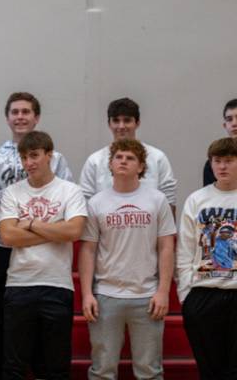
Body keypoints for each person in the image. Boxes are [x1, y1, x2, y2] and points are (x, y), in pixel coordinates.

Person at [0, 91, 73, 380]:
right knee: (8, 320)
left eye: (26, 112)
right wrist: (16, 194)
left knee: (45, 322)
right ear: (7, 117)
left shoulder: (56, 159)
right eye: (15, 112)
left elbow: (66, 203)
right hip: (4, 245)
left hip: (47, 247)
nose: (20, 116)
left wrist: (34, 218)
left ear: (36, 117)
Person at [78, 139, 176, 380]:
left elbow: (166, 246)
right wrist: (87, 294)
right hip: (107, 296)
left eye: (130, 158)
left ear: (141, 167)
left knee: (150, 372)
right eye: (119, 157)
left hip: (147, 296)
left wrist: (163, 291)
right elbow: (88, 250)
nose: (123, 161)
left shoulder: (157, 200)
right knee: (102, 371)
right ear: (110, 164)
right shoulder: (96, 202)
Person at [0, 130, 87, 380]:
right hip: (19, 285)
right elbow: (8, 236)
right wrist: (55, 230)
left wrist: (31, 224)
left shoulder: (70, 191)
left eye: (35, 156)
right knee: (14, 365)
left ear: (50, 156)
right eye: (25, 157)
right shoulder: (12, 192)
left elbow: (74, 230)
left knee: (56, 366)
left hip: (57, 285)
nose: (29, 163)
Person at [177, 137, 237, 379]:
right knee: (209, 370)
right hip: (203, 293)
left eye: (229, 161)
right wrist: (185, 294)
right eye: (217, 161)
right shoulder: (197, 199)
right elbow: (185, 249)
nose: (222, 166)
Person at [80, 98, 177, 212]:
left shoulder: (157, 158)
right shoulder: (94, 161)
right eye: (116, 120)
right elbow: (85, 203)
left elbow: (169, 201)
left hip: (148, 227)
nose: (121, 126)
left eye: (127, 120)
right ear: (109, 124)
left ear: (137, 123)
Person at [203, 98, 237, 185]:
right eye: (229, 119)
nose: (234, 123)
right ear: (225, 126)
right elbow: (210, 196)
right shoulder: (215, 163)